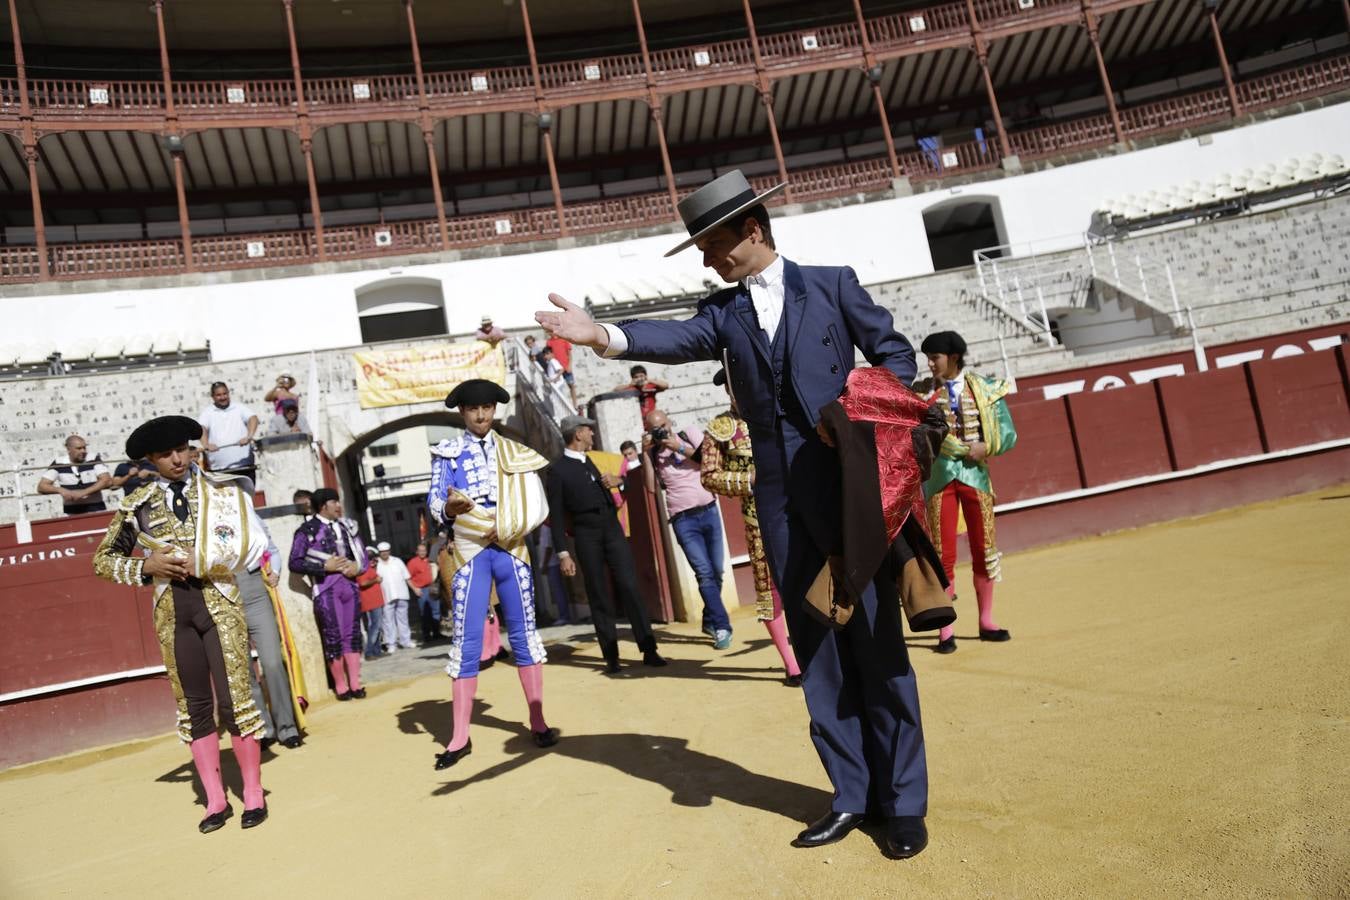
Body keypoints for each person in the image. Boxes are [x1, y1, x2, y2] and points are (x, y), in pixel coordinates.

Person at [536, 168, 929, 859]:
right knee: (817, 649)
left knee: (876, 640)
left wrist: (867, 404)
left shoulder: (833, 284)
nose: (708, 260)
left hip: (847, 490)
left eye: (714, 246)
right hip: (779, 501)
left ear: (752, 230)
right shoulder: (725, 311)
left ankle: (902, 803)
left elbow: (893, 351)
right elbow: (677, 338)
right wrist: (602, 335)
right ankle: (850, 795)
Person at [92, 415, 270, 832]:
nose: (177, 459)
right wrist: (146, 565)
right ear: (151, 460)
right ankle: (213, 800)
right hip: (173, 612)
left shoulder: (223, 490)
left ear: (192, 449)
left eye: (182, 450)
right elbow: (102, 561)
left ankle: (253, 792)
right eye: (165, 454)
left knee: (235, 701)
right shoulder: (138, 504)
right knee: (194, 706)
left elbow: (254, 544)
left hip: (219, 602)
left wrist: (204, 560)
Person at [426, 379, 558, 770]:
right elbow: (435, 501)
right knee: (467, 641)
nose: (481, 415)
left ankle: (537, 720)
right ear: (462, 413)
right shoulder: (447, 453)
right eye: (473, 409)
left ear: (494, 410)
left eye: (487, 408)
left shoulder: (514, 451)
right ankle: (459, 736)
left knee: (523, 633)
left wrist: (509, 524)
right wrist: (450, 509)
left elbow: (533, 502)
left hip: (511, 545)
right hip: (470, 550)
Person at [919, 330, 1018, 654]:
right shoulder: (922, 394)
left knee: (984, 547)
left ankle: (986, 621)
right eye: (929, 358)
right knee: (942, 554)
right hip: (940, 478)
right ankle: (945, 630)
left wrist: (987, 445)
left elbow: (1008, 433)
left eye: (935, 357)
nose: (930, 364)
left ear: (954, 358)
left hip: (976, 476)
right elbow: (914, 436)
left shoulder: (986, 390)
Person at [701, 369, 801, 684]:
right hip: (757, 519)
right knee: (769, 590)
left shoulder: (779, 414)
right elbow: (709, 475)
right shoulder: (721, 429)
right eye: (734, 388)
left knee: (807, 581)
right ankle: (791, 664)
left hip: (797, 510)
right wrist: (750, 480)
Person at [546, 414, 666, 674]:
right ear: (577, 434)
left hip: (611, 527)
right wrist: (563, 552)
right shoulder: (557, 471)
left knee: (630, 586)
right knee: (599, 593)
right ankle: (611, 657)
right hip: (585, 532)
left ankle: (649, 649)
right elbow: (555, 516)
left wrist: (620, 482)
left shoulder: (593, 460)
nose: (592, 434)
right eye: (588, 431)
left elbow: (618, 489)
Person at [641, 408, 733, 649]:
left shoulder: (688, 433)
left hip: (709, 509)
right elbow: (650, 488)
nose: (662, 431)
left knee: (716, 572)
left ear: (670, 422)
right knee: (704, 573)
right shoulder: (652, 453)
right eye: (655, 430)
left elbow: (708, 460)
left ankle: (709, 618)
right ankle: (722, 626)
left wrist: (677, 446)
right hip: (683, 519)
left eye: (663, 426)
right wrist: (645, 454)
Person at [288, 488, 369, 701]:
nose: (339, 506)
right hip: (326, 588)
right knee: (333, 636)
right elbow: (294, 562)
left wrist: (357, 567)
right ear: (324, 505)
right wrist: (324, 566)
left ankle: (355, 683)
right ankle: (341, 686)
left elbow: (362, 556)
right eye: (335, 502)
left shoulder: (347, 526)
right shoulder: (306, 530)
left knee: (352, 634)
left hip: (349, 586)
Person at [239, 531, 305, 750]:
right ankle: (263, 728)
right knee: (243, 668)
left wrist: (275, 570)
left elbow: (272, 549)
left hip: (254, 587)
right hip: (221, 590)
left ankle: (287, 727)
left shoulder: (243, 505)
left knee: (273, 662)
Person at [199, 381, 258, 481]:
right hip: (220, 470)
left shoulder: (239, 407)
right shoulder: (207, 412)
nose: (223, 397)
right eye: (218, 395)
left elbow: (253, 418)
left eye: (225, 393)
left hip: (244, 466)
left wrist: (249, 436)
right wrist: (206, 444)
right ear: (212, 396)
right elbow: (201, 428)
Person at [37, 434, 111, 515]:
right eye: (79, 448)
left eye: (84, 447)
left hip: (96, 510)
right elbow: (41, 487)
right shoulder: (59, 462)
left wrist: (83, 493)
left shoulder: (93, 458)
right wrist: (61, 490)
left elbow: (106, 480)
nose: (83, 451)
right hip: (71, 513)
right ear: (69, 449)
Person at [375, 541, 416, 651]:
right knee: (388, 621)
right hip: (386, 596)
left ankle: (405, 641)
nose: (384, 553)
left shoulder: (397, 561)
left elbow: (407, 576)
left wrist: (415, 589)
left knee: (403, 619)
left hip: (401, 594)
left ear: (389, 551)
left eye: (386, 551)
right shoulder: (376, 564)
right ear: (379, 553)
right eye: (382, 552)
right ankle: (391, 644)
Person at [357, 548, 387, 660]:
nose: (373, 560)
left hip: (377, 601)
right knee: (375, 627)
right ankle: (369, 652)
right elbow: (363, 583)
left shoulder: (371, 568)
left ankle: (377, 651)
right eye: (371, 558)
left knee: (377, 627)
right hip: (371, 602)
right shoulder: (364, 569)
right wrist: (376, 580)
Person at [407, 542, 440, 643]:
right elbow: (407, 578)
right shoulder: (412, 563)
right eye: (420, 551)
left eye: (424, 551)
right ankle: (426, 635)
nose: (422, 552)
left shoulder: (430, 560)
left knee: (436, 611)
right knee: (425, 613)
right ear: (417, 552)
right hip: (422, 590)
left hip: (433, 588)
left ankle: (436, 633)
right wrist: (414, 589)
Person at [545, 334, 579, 407]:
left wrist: (569, 365)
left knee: (571, 385)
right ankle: (562, 405)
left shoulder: (564, 339)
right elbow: (548, 354)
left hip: (566, 368)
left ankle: (575, 405)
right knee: (558, 389)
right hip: (557, 370)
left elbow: (569, 354)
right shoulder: (549, 342)